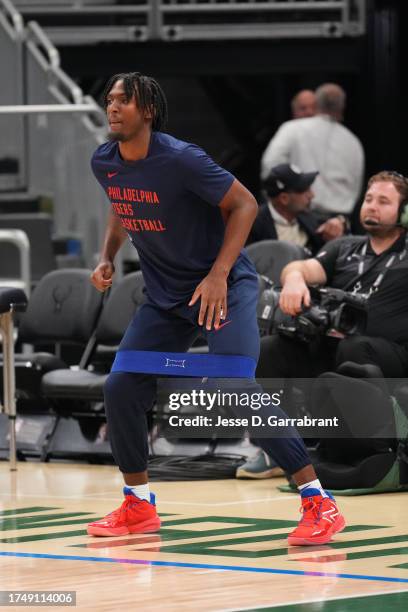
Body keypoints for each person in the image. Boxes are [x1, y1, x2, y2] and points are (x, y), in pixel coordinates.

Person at [86, 71, 345, 546]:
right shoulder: (105, 161)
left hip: (222, 287)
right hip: (165, 297)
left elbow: (244, 204)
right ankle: (138, 504)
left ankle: (318, 501)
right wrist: (106, 255)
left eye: (124, 100)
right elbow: (120, 204)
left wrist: (219, 274)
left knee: (233, 386)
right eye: (109, 100)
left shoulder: (182, 159)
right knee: (121, 385)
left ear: (148, 110)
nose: (113, 107)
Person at [241, 170, 408, 478]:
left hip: (389, 351)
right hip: (334, 343)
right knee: (268, 350)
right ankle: (281, 450)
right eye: (369, 199)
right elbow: (300, 267)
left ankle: (362, 450)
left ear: (404, 211)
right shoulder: (345, 247)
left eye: (384, 201)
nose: (372, 206)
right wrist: (293, 282)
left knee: (355, 347)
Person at [261, 83, 364, 217]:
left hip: (300, 215)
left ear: (317, 104)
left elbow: (270, 166)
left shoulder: (292, 129)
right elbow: (357, 186)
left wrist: (278, 200)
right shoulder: (353, 142)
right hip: (341, 219)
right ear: (343, 106)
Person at [248, 163, 346, 254]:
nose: (312, 195)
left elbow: (339, 225)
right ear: (284, 198)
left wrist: (339, 223)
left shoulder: (309, 218)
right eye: (304, 190)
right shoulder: (253, 224)